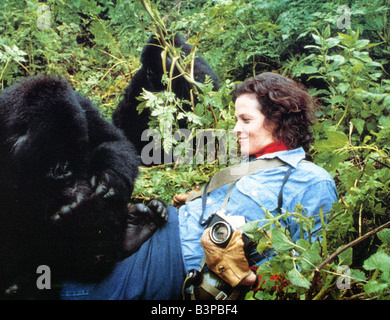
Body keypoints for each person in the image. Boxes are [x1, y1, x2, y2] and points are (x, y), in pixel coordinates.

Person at [60, 72, 338, 299]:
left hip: (177, 264)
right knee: (58, 261)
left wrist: (247, 277)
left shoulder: (311, 181)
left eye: (246, 120)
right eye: (235, 120)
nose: (235, 129)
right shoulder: (253, 163)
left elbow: (308, 273)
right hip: (156, 228)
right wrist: (197, 199)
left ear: (279, 120)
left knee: (75, 292)